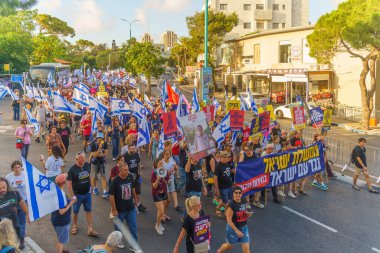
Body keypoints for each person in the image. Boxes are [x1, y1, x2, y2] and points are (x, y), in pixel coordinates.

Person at [67, 152, 99, 237]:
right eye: (81, 159)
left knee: (88, 210)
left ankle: (90, 229)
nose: (83, 160)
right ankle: (75, 225)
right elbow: (69, 184)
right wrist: (72, 195)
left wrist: (91, 187)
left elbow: (89, 176)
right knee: (75, 211)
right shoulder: (72, 170)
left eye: (84, 158)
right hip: (77, 195)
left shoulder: (87, 165)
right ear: (76, 159)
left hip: (87, 193)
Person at [109, 164, 137, 250]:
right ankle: (119, 241)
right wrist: (114, 210)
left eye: (127, 169)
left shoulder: (130, 177)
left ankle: (133, 245)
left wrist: (135, 199)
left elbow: (133, 188)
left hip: (130, 208)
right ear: (120, 170)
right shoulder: (115, 181)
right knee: (118, 228)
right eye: (125, 170)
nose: (127, 171)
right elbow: (111, 196)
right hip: (120, 210)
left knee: (133, 227)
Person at [217, 186, 252, 253]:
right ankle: (219, 251)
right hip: (233, 229)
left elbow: (243, 211)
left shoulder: (244, 200)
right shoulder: (231, 205)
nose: (238, 194)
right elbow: (229, 220)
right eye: (236, 193)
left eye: (239, 193)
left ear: (241, 194)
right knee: (229, 246)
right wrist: (237, 231)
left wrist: (247, 214)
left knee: (247, 250)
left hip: (244, 228)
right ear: (233, 194)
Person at [0, 177, 29, 249]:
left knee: (13, 246)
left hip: (14, 226)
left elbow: (22, 203)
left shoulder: (14, 193)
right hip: (1, 229)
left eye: (4, 187)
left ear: (7, 185)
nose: (2, 190)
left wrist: (28, 214)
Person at [51, 174, 77, 253]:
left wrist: (69, 199)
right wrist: (71, 202)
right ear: (64, 183)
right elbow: (61, 211)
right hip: (61, 221)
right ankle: (60, 250)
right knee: (61, 241)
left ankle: (61, 250)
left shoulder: (57, 191)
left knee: (60, 238)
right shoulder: (60, 194)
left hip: (55, 219)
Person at [5, 161, 27, 249]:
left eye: (19, 167)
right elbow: (6, 189)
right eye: (15, 168)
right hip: (13, 202)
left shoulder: (25, 175)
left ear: (21, 167)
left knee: (22, 221)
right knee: (13, 221)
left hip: (23, 202)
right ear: (12, 169)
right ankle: (14, 238)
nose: (17, 169)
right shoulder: (9, 177)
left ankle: (21, 240)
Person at [124, 143, 146, 213]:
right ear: (128, 149)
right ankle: (130, 205)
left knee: (137, 190)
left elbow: (139, 163)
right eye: (132, 149)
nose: (134, 150)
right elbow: (123, 166)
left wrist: (139, 172)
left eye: (134, 148)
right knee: (129, 191)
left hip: (136, 175)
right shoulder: (125, 156)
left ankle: (138, 204)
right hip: (129, 176)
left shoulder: (136, 154)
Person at [214, 151, 236, 217]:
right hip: (223, 187)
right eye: (225, 157)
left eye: (227, 157)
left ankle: (218, 208)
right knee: (226, 203)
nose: (226, 158)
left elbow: (228, 172)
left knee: (226, 200)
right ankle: (228, 215)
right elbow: (215, 178)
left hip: (229, 185)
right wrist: (216, 189)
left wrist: (233, 171)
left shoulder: (227, 163)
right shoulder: (218, 166)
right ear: (221, 157)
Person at [151, 159, 169, 235]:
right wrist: (158, 179)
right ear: (156, 165)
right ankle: (157, 225)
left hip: (164, 192)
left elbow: (167, 180)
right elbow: (154, 186)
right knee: (161, 211)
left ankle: (159, 223)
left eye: (162, 163)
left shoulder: (165, 170)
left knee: (162, 210)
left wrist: (167, 181)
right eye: (160, 163)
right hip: (156, 193)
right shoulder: (154, 173)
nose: (161, 164)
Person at [90, 133, 109, 198]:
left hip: (102, 162)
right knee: (94, 176)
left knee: (103, 176)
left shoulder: (105, 144)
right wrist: (99, 149)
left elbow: (106, 153)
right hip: (95, 162)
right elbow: (94, 155)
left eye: (101, 139)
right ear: (96, 138)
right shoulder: (93, 144)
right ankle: (95, 188)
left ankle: (104, 191)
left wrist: (99, 154)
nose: (100, 140)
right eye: (99, 138)